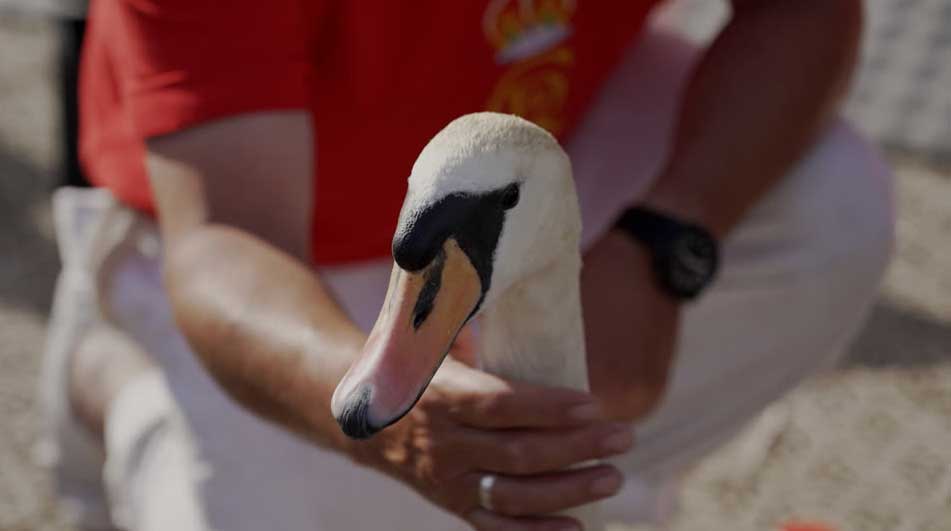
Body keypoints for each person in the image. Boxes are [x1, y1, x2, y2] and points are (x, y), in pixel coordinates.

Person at [40, 1, 894, 530]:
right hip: (267, 251)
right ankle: (133, 372)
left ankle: (565, 473)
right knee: (308, 477)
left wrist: (668, 237)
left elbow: (803, 12)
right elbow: (230, 233)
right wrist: (391, 427)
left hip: (540, 140)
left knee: (826, 205)